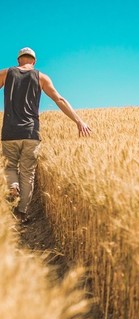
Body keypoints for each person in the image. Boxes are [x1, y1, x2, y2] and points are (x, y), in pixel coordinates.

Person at [0, 47, 92, 223]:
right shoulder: (41, 77)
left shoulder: (6, 73)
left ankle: (13, 186)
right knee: (28, 173)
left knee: (10, 167)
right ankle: (21, 213)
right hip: (31, 132)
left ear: (19, 60)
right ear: (33, 61)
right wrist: (79, 121)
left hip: (10, 131)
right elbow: (59, 99)